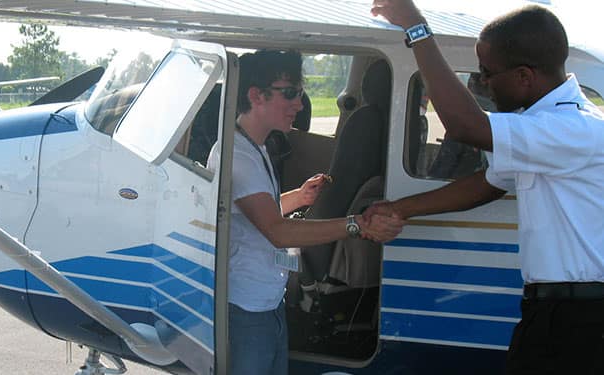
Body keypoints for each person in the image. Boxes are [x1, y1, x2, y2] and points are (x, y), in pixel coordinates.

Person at [369, 2, 604, 374]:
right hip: (552, 313)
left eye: (486, 73)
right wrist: (400, 209)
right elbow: (489, 183)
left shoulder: (574, 129)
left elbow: (467, 126)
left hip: (582, 320)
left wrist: (416, 27)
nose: (481, 83)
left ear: (525, 76)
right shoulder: (546, 128)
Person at [206, 49, 404, 375]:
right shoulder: (237, 155)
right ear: (257, 95)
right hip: (246, 307)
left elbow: (253, 212)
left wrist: (298, 198)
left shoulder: (255, 147)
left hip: (268, 301)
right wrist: (356, 224)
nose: (300, 104)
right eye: (291, 93)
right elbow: (277, 230)